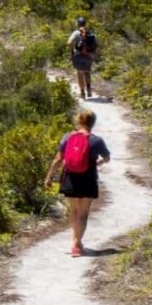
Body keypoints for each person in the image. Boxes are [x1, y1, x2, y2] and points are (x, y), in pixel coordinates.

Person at [44, 109, 110, 257]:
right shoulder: (97, 140)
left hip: (70, 178)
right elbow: (106, 157)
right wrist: (99, 162)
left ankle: (76, 244)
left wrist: (49, 177)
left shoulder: (67, 137)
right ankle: (77, 244)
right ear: (92, 123)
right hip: (88, 178)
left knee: (74, 212)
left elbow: (58, 159)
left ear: (78, 121)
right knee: (83, 213)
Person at [67, 16, 98, 99]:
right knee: (87, 72)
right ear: (85, 23)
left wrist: (72, 50)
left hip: (79, 56)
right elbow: (96, 44)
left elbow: (69, 43)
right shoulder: (91, 32)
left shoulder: (76, 33)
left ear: (78, 24)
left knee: (80, 74)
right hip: (89, 55)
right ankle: (89, 90)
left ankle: (82, 93)